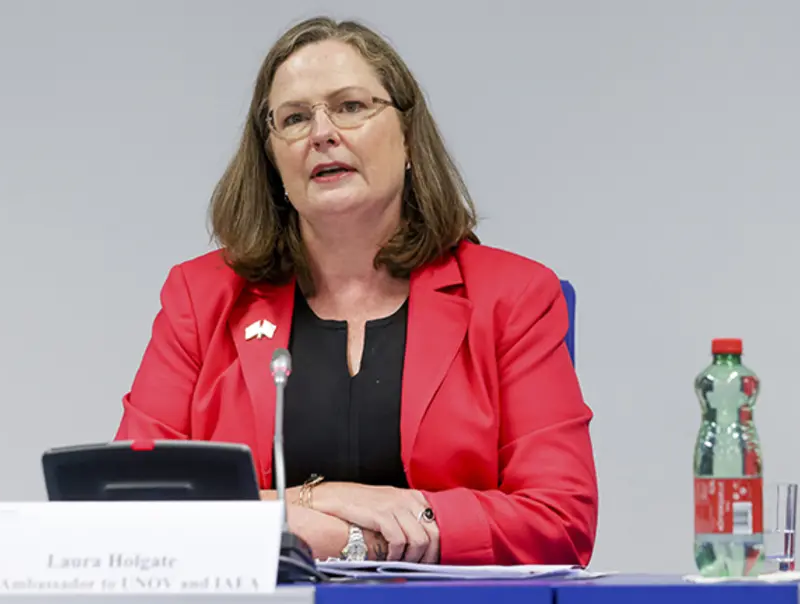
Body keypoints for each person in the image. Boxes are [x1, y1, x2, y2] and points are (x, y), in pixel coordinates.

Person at [115, 16, 598, 566]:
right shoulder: (201, 298)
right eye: (295, 118)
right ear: (272, 160)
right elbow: (128, 500)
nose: (322, 133)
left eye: (350, 107)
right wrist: (317, 501)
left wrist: (356, 540)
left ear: (408, 135)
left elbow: (560, 518)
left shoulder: (513, 296)